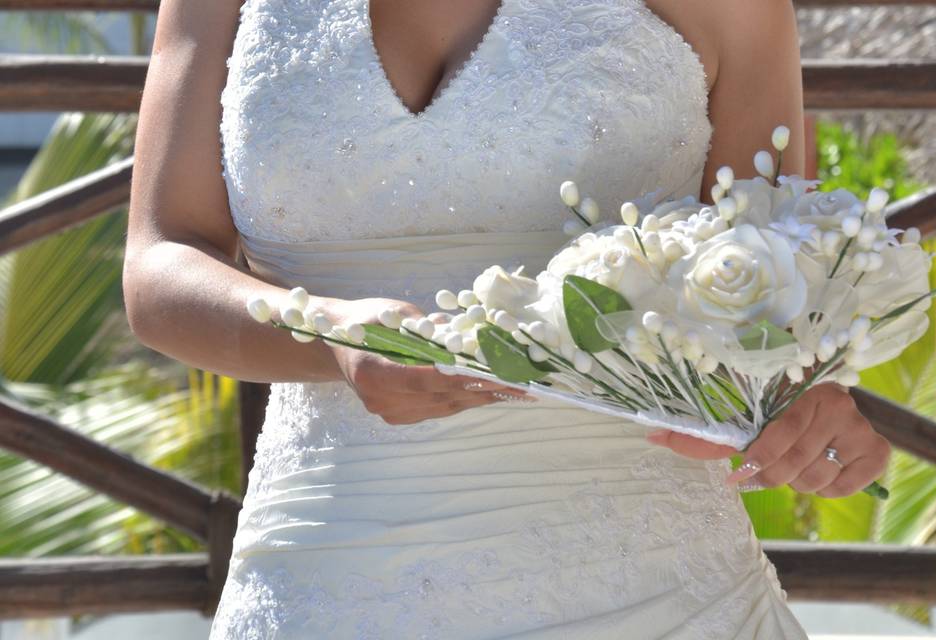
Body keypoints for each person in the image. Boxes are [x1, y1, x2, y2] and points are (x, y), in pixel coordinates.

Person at [123, 0, 892, 637]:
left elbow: (778, 295)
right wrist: (330, 336)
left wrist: (805, 404)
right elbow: (159, 265)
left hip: (649, 591)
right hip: (319, 573)